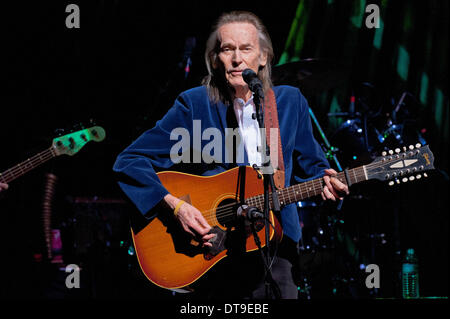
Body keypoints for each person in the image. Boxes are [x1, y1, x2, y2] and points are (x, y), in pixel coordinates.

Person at [113, 11, 348, 299]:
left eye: (246, 48)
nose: (237, 58)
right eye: (227, 49)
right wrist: (176, 207)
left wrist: (327, 181)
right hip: (214, 250)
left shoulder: (289, 102)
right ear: (215, 59)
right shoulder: (195, 105)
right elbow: (129, 161)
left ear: (263, 57)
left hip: (276, 245)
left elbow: (312, 166)